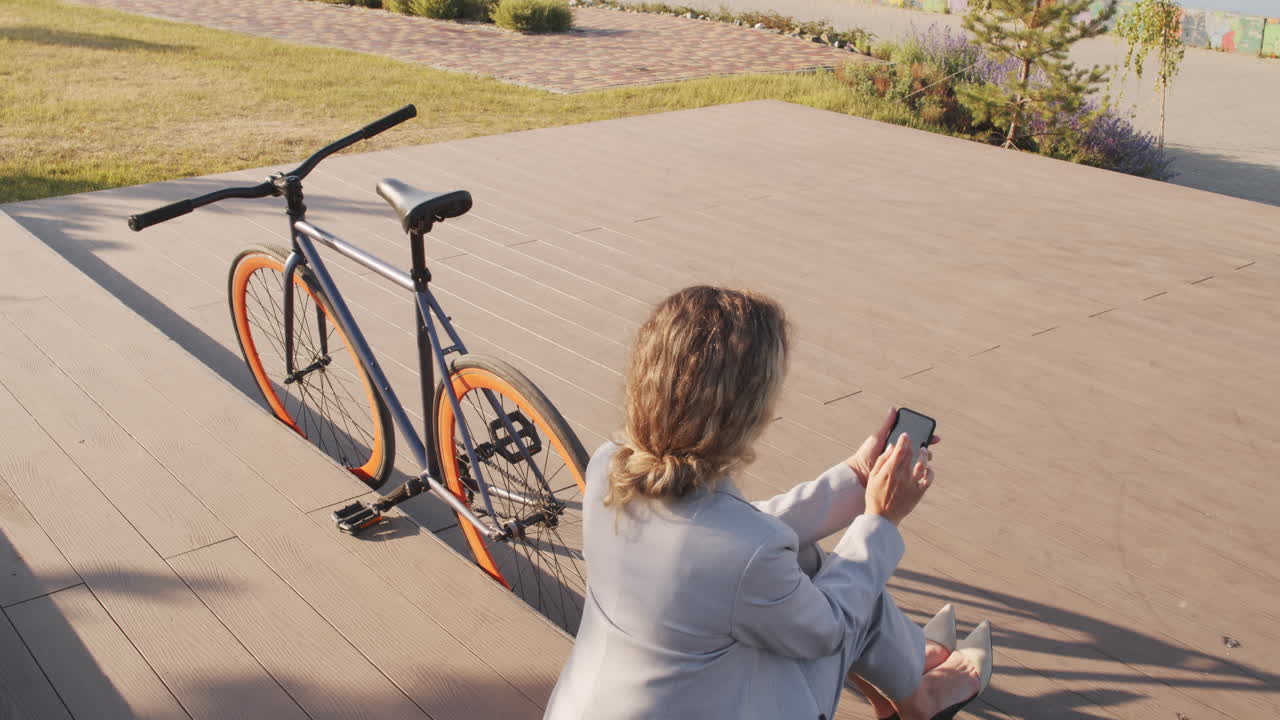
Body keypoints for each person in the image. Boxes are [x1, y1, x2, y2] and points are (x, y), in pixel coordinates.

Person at [544, 286, 992, 720]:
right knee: (854, 585)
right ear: (749, 410)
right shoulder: (748, 553)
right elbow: (831, 630)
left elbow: (737, 536)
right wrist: (882, 519)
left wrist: (857, 475)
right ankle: (921, 696)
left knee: (810, 560)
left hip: (592, 705)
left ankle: (905, 676)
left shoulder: (608, 466)